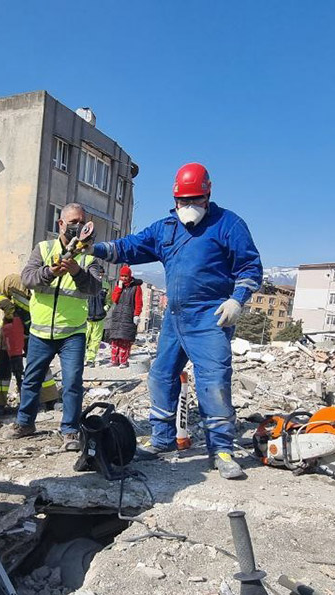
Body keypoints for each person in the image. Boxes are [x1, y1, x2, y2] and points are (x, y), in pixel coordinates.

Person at [91, 163, 263, 479]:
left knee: (214, 383)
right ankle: (162, 439)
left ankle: (221, 450)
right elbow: (130, 246)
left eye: (195, 199)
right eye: (183, 201)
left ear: (207, 195)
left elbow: (250, 268)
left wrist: (237, 300)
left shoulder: (228, 224)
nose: (189, 207)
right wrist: (95, 247)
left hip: (211, 317)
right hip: (175, 319)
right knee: (160, 376)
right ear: (175, 198)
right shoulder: (167, 228)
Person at [4, 203, 103, 451]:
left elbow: (94, 288)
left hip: (72, 332)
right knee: (31, 379)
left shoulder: (89, 256)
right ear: (61, 224)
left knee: (72, 382)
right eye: (72, 222)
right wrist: (50, 272)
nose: (77, 226)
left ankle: (69, 430)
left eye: (81, 222)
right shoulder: (44, 249)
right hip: (40, 330)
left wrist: (78, 272)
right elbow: (28, 278)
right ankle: (25, 423)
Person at [0, 273, 61, 413]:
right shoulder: (13, 280)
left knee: (40, 363)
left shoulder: (47, 287)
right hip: (11, 327)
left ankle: (50, 400)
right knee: (4, 365)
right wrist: (8, 307)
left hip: (34, 330)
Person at [107, 265, 142, 368]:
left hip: (128, 316)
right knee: (115, 340)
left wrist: (136, 314)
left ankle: (123, 361)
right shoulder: (119, 286)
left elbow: (138, 302)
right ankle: (114, 361)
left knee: (125, 340)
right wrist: (119, 288)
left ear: (129, 276)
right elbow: (114, 299)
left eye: (125, 276)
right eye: (122, 276)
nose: (123, 278)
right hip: (118, 316)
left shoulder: (136, 287)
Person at [85, 279, 111, 367]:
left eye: (101, 274)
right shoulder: (87, 282)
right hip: (86, 317)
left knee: (95, 340)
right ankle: (80, 358)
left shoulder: (106, 285)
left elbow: (109, 300)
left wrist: (105, 309)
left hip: (99, 317)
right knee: (83, 338)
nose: (99, 276)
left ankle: (90, 359)